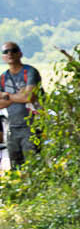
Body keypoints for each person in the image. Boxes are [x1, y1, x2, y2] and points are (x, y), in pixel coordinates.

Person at [1, 43, 41, 172]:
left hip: (32, 126)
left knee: (34, 167)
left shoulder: (30, 72)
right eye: (6, 52)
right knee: (16, 169)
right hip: (12, 128)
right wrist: (19, 95)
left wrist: (7, 96)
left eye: (13, 50)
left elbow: (29, 97)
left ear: (20, 53)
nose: (10, 54)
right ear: (3, 57)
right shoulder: (3, 77)